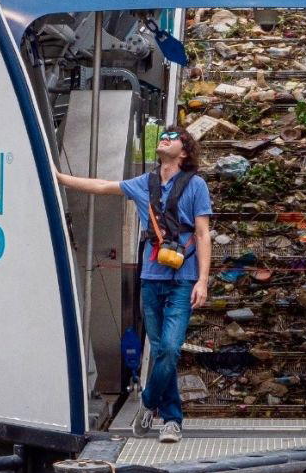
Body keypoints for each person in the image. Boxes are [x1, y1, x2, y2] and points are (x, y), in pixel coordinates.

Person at [55, 125, 212, 444]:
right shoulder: (145, 183)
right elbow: (100, 186)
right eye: (163, 136)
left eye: (172, 137)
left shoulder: (196, 185)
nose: (164, 139)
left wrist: (203, 281)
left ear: (184, 151)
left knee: (169, 348)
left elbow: (202, 233)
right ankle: (172, 421)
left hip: (183, 279)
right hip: (151, 278)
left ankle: (149, 401)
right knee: (158, 352)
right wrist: (58, 177)